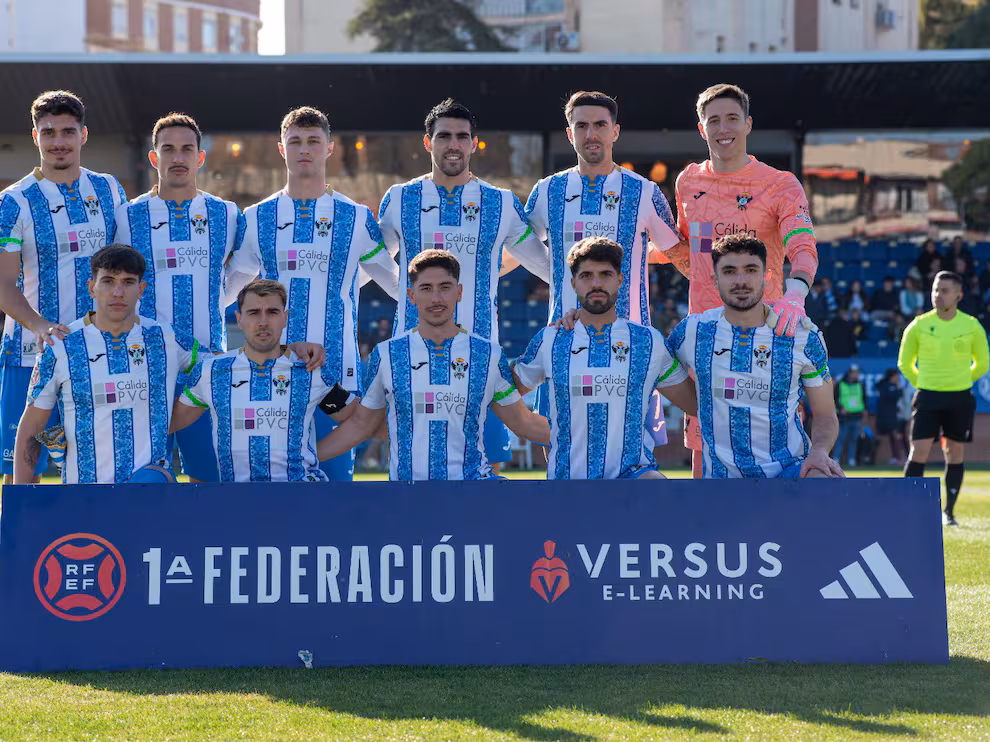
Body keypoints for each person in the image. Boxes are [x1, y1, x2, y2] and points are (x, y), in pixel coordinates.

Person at [226, 106, 401, 482]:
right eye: (295, 141)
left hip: (337, 369)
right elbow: (229, 290)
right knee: (271, 479)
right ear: (281, 148)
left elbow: (395, 284)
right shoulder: (256, 217)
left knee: (335, 487)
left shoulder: (355, 217)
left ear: (329, 148)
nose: (304, 149)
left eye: (313, 141)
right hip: (272, 370)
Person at [377, 99, 547, 474]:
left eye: (461, 136)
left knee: (486, 468)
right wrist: (408, 298)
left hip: (482, 358)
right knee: (412, 465)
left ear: (474, 143)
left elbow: (545, 265)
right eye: (444, 136)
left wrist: (577, 306)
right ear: (428, 143)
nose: (453, 144)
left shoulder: (500, 203)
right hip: (413, 358)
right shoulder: (399, 199)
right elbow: (371, 266)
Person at [660, 83, 819, 478]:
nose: (723, 127)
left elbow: (803, 246)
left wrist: (795, 295)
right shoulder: (687, 183)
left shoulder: (780, 184)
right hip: (706, 340)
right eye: (713, 120)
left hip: (767, 335)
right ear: (702, 129)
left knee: (777, 452)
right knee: (705, 456)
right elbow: (689, 253)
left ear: (748, 124)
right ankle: (707, 541)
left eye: (732, 118)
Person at [522, 90, 680, 447]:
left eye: (599, 125)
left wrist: (639, 257)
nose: (591, 133)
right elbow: (519, 250)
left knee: (636, 452)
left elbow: (675, 252)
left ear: (615, 131)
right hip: (565, 343)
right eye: (582, 125)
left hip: (633, 347)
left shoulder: (644, 192)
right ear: (569, 133)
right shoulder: (547, 191)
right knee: (561, 446)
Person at [317, 250, 551, 480]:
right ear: (410, 295)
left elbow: (524, 422)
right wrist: (300, 459)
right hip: (409, 500)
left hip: (473, 495)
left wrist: (583, 438)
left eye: (445, 287)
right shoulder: (388, 354)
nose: (436, 298)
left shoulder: (487, 354)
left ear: (459, 292)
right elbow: (361, 424)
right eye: (426, 288)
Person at [0, 90, 128, 482]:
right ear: (35, 135)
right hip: (31, 355)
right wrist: (39, 326)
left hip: (99, 353)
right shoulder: (13, 201)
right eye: (49, 131)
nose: (58, 141)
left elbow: (127, 267)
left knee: (99, 466)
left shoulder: (109, 189)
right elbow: (3, 283)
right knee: (24, 467)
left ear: (83, 135)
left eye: (68, 131)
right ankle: (22, 543)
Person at [114, 113, 245, 482]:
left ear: (200, 157)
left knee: (210, 478)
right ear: (153, 157)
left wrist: (215, 300)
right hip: (144, 368)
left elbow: (244, 272)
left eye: (187, 149)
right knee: (147, 480)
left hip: (205, 368)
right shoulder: (127, 216)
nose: (178, 157)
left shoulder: (226, 214)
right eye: (168, 149)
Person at [511, 237, 697, 480]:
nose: (596, 283)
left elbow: (696, 405)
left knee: (655, 484)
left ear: (620, 280)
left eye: (606, 274)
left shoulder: (647, 342)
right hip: (569, 482)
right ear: (573, 283)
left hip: (633, 479)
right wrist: (537, 428)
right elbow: (504, 393)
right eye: (587, 275)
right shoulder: (551, 339)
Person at [664, 233, 843, 479]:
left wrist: (820, 451)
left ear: (767, 276)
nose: (741, 280)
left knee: (824, 479)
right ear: (715, 280)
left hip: (788, 471)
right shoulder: (693, 331)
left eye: (750, 270)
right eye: (729, 271)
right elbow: (655, 370)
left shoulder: (800, 335)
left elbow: (825, 414)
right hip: (721, 479)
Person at [14, 245, 185, 484]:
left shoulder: (166, 339)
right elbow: (32, 425)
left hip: (148, 495)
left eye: (128, 282)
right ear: (92, 288)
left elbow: (214, 373)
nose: (118, 292)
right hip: (83, 497)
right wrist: (21, 497)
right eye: (108, 281)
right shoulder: (61, 345)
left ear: (141, 290)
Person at [172, 279, 347, 483]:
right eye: (254, 312)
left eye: (272, 312)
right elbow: (168, 423)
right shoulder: (212, 371)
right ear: (239, 319)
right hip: (239, 501)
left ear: (285, 318)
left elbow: (360, 420)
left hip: (300, 497)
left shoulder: (308, 369)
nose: (263, 321)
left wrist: (317, 453)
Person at [899, 270, 990, 526]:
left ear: (959, 295)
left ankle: (949, 512)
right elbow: (905, 363)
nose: (938, 295)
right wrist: (924, 383)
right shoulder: (917, 325)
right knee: (919, 451)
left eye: (945, 291)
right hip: (927, 396)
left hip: (959, 397)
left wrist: (962, 380)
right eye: (936, 289)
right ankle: (908, 510)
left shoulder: (971, 326)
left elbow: (982, 362)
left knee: (954, 452)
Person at [833, 365, 866, 468]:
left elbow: (863, 399)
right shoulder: (840, 384)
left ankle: (851, 460)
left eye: (857, 372)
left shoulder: (860, 385)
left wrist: (864, 411)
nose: (856, 374)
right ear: (850, 373)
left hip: (856, 416)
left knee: (853, 439)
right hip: (844, 417)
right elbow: (835, 398)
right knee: (840, 439)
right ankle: (836, 460)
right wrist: (840, 408)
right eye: (854, 372)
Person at [875, 368, 907, 465]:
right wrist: (898, 390)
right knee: (894, 435)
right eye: (896, 376)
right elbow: (894, 396)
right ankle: (898, 458)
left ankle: (896, 457)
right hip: (888, 417)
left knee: (892, 436)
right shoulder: (888, 387)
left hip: (886, 415)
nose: (898, 378)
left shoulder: (883, 386)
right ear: (892, 377)